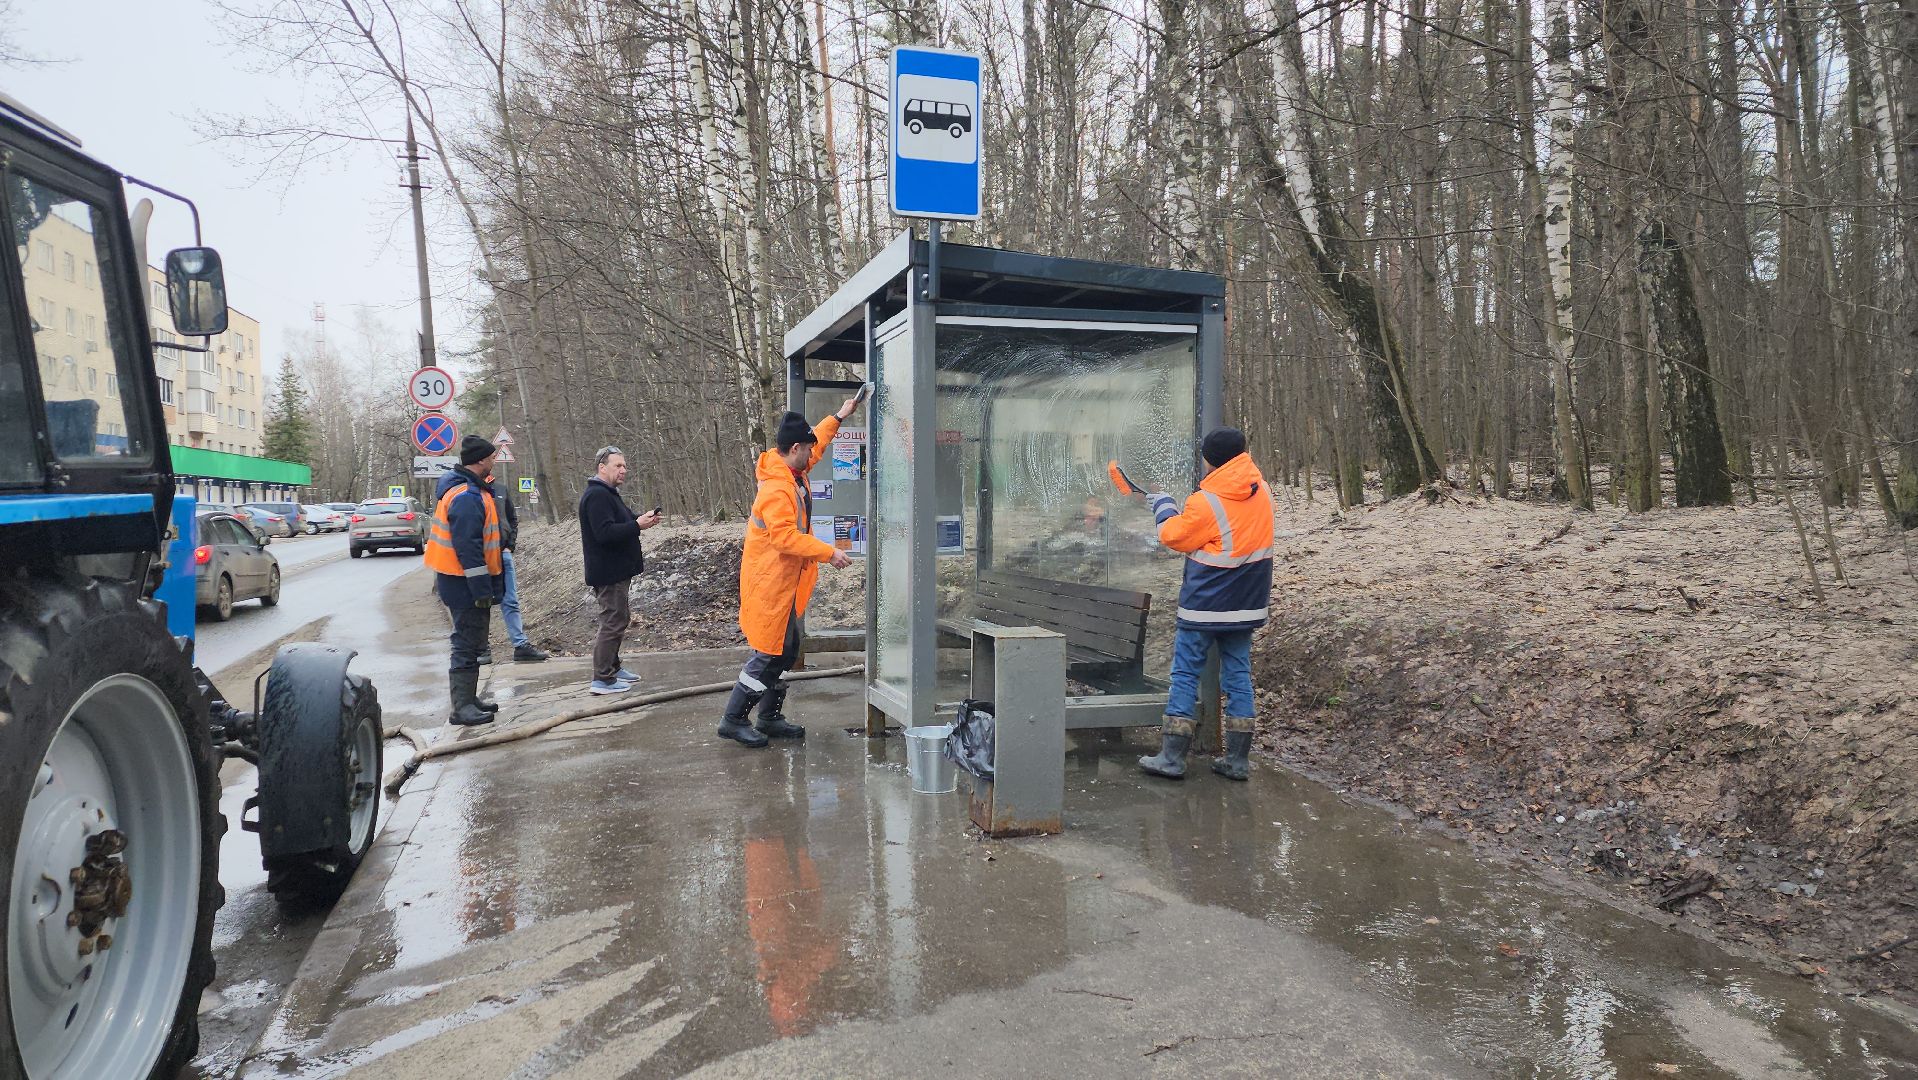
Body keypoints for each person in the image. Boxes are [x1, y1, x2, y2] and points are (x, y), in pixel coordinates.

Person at [1132, 427, 1274, 780]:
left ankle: (1172, 757)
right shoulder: (1262, 490)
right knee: (1239, 675)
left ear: (1210, 459)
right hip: (1247, 603)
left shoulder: (1205, 499)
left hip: (1205, 604)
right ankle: (1238, 761)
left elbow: (1174, 536)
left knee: (1184, 674)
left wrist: (1163, 505)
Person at [719, 399, 859, 748]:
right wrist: (829, 553)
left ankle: (769, 717)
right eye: (807, 449)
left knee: (785, 650)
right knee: (767, 653)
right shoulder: (776, 489)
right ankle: (733, 719)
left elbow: (819, 445)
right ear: (794, 448)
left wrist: (839, 415)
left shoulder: (792, 472)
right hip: (771, 586)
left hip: (788, 584)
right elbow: (784, 538)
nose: (813, 455)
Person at [423, 434, 506, 726]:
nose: (494, 460)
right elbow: (468, 549)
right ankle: (461, 708)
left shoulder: (470, 491)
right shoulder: (467, 497)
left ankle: (469, 700)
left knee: (471, 642)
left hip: (461, 581)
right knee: (465, 643)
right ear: (481, 460)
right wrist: (482, 589)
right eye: (492, 457)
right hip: (463, 583)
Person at [578, 446, 660, 695]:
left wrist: (641, 519)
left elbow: (621, 521)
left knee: (618, 618)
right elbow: (604, 533)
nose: (624, 470)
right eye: (618, 466)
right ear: (602, 467)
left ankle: (612, 667)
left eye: (624, 466)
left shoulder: (608, 494)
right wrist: (636, 524)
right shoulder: (597, 496)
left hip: (616, 570)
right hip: (608, 572)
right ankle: (602, 678)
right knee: (613, 621)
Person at [472, 465, 548, 665]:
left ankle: (520, 646)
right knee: (482, 601)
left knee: (511, 600)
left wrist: (510, 546)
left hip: (503, 554)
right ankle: (482, 648)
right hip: (481, 556)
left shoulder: (501, 489)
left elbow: (512, 521)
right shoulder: (471, 491)